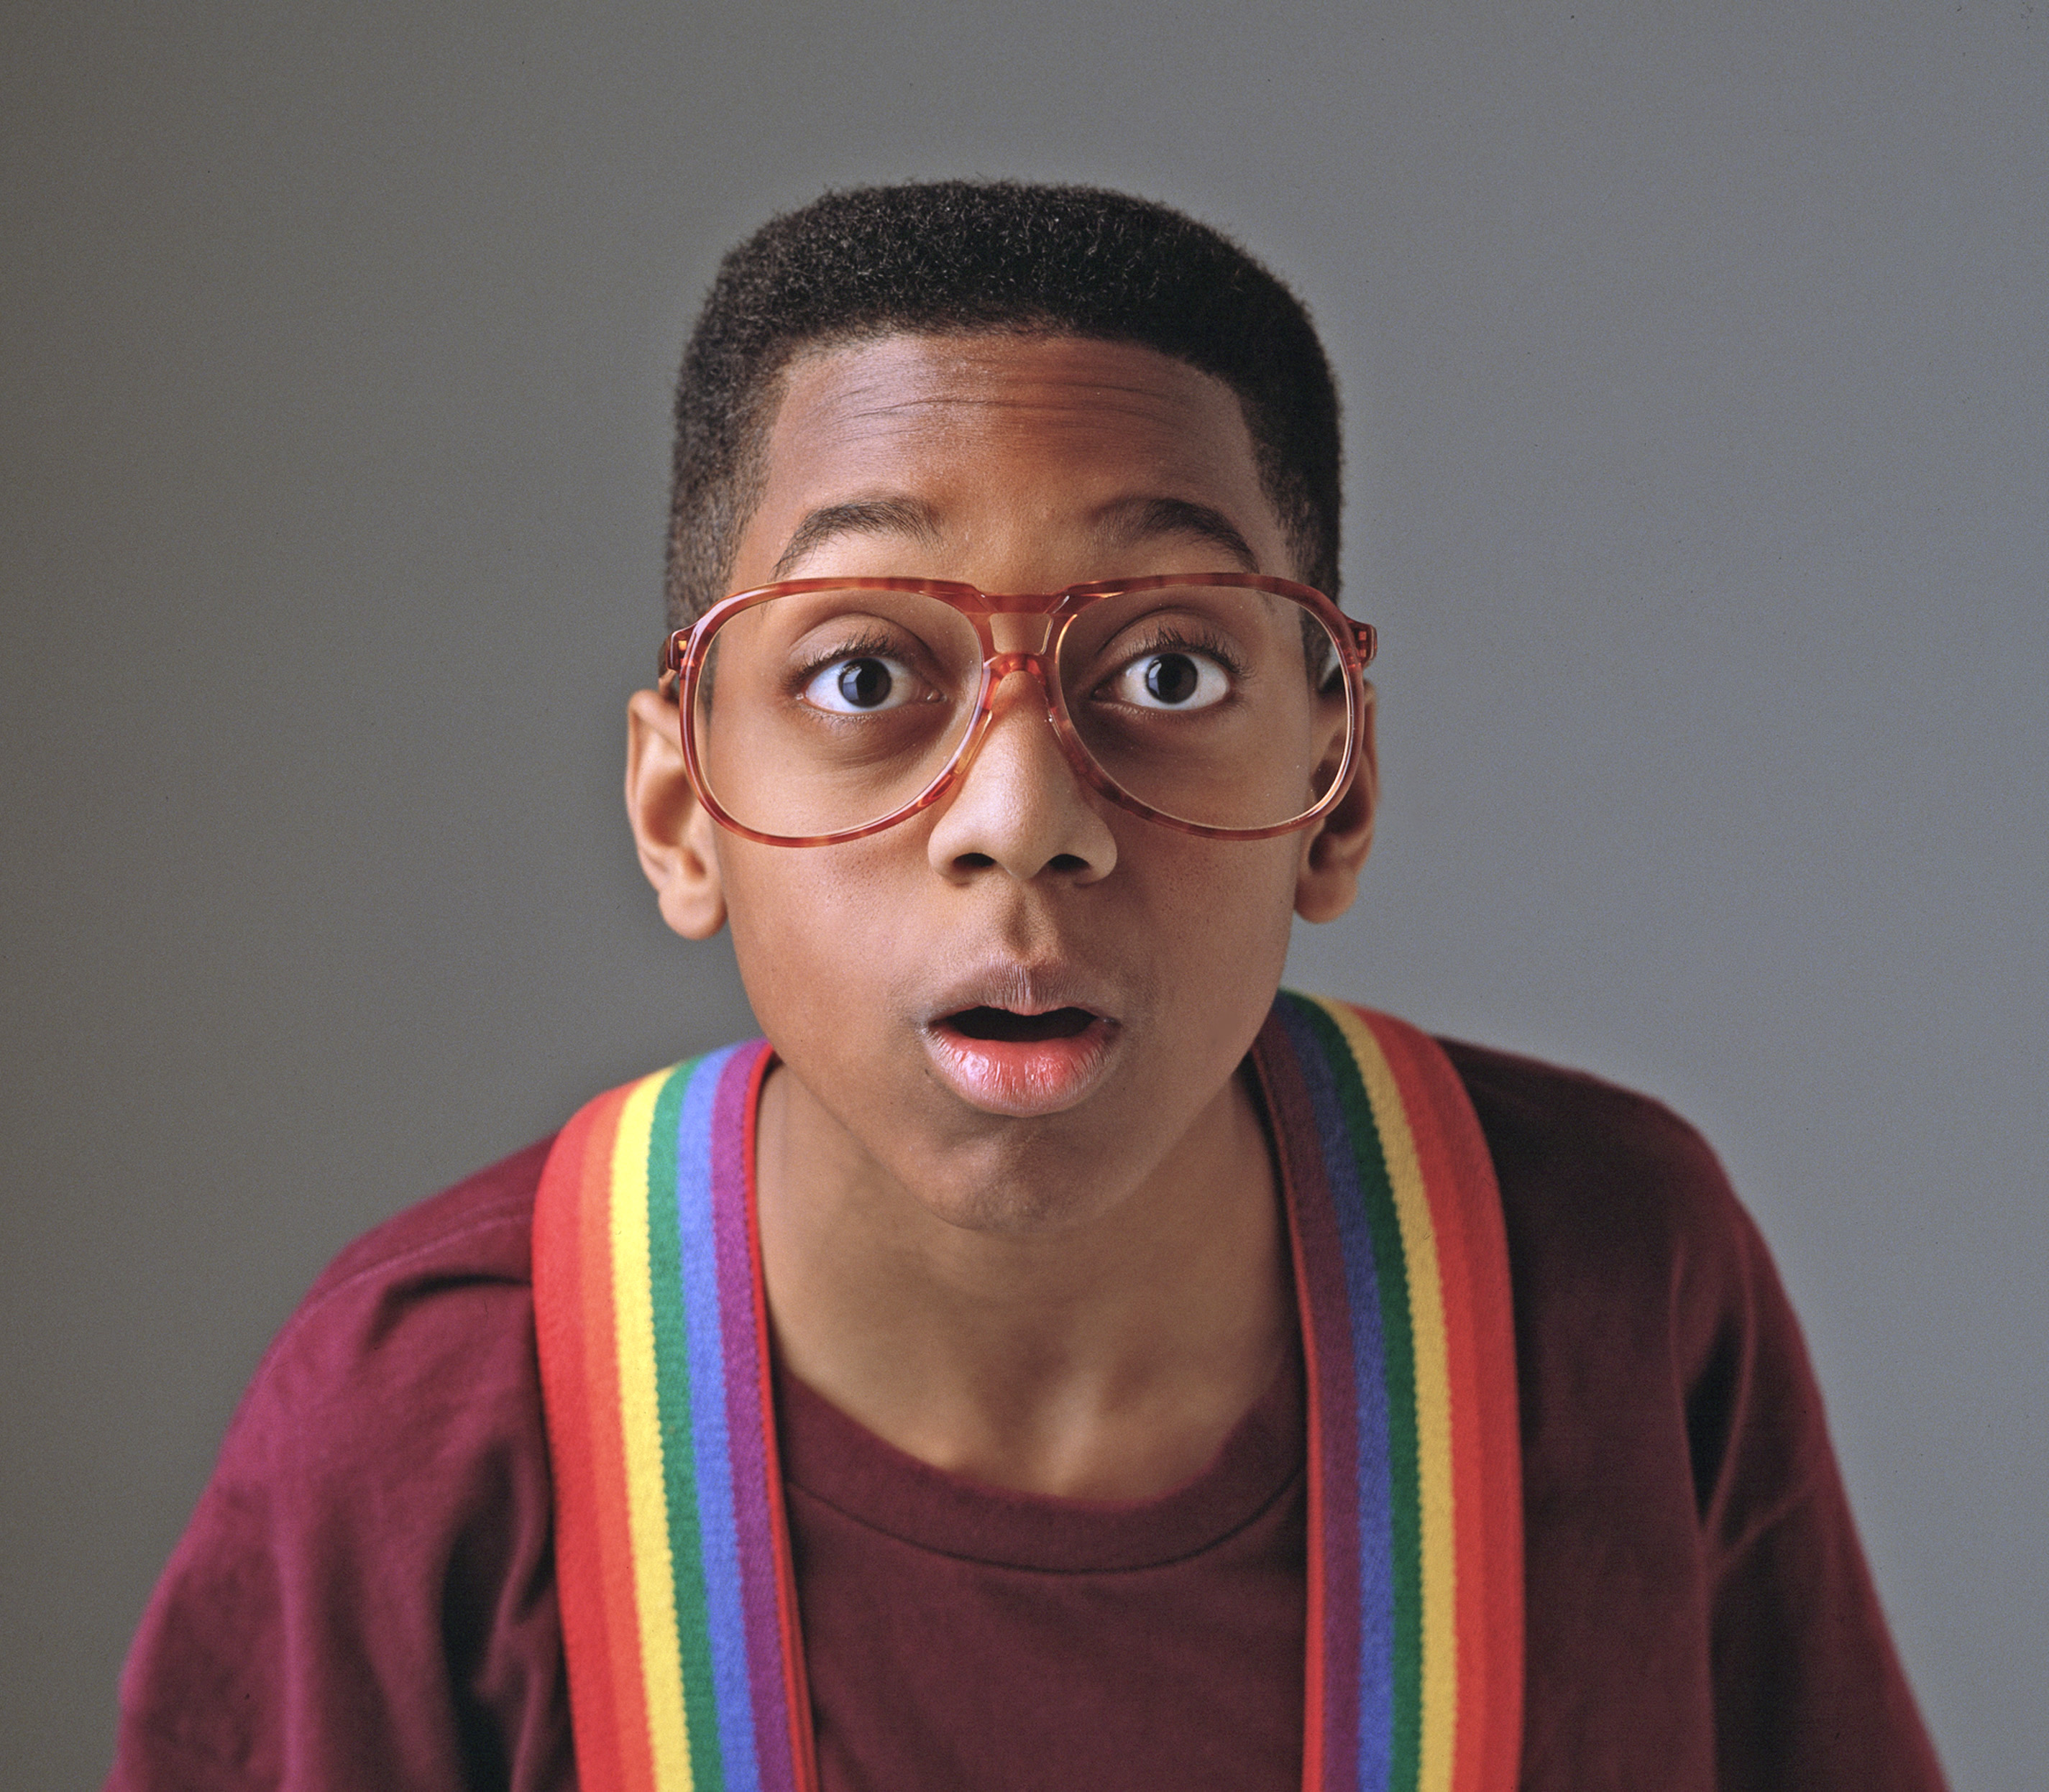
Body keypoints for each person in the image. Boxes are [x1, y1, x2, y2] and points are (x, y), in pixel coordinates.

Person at [106, 180, 1947, 1792]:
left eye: (1165, 673)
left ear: (1341, 788)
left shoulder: (1614, 1280)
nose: (1023, 819)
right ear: (683, 814)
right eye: (859, 674)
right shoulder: (426, 1417)